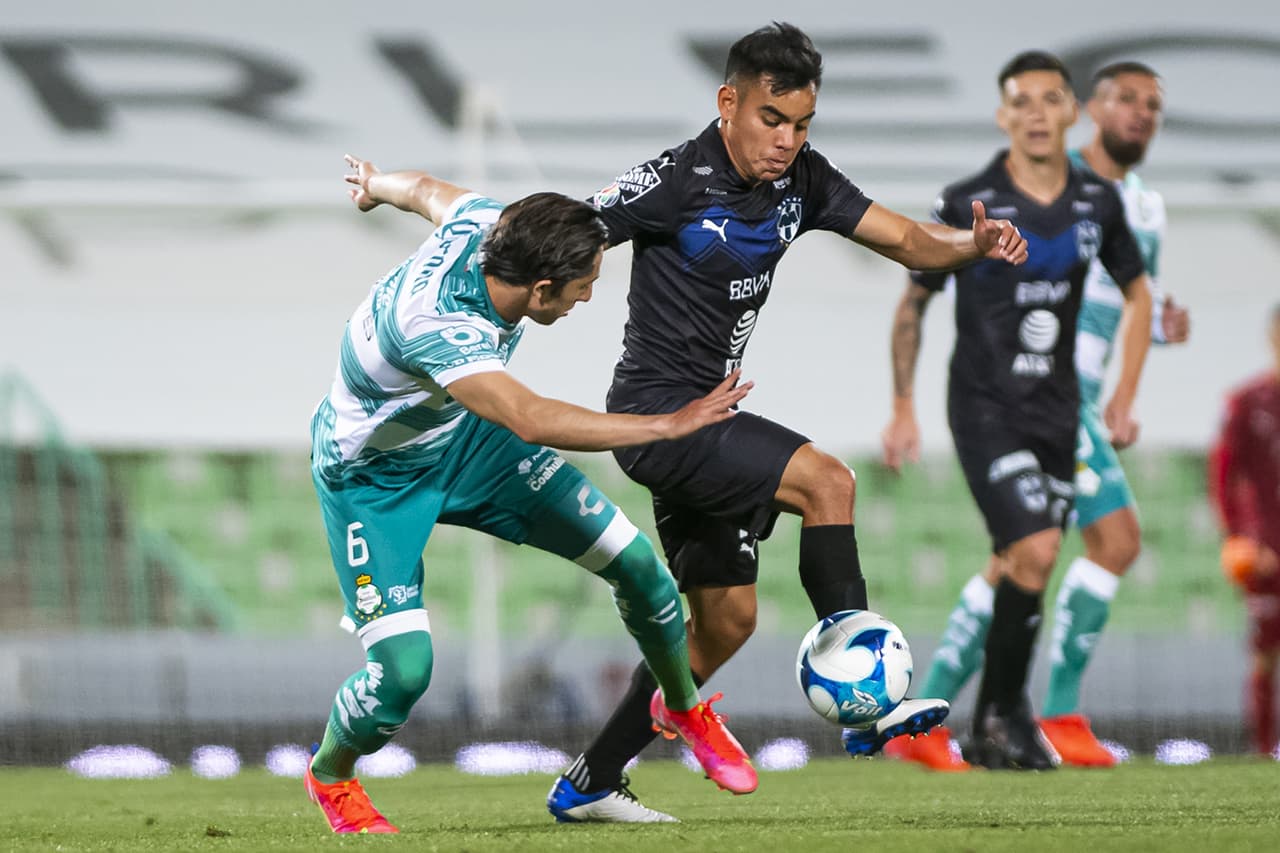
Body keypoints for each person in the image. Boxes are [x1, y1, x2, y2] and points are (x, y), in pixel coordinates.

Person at [541, 22, 1026, 821]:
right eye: (772, 118)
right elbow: (571, 229)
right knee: (828, 481)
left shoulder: (805, 179)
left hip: (710, 416)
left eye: (801, 124)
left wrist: (971, 245)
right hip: (657, 415)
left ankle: (589, 780)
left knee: (726, 623)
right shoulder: (674, 179)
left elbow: (909, 239)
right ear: (728, 102)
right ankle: (868, 699)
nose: (786, 140)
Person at [303, 156, 759, 834]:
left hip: (466, 441)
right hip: (372, 480)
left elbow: (424, 190)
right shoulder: (438, 328)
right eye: (584, 285)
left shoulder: (487, 221)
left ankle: (681, 704)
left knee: (640, 568)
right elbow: (530, 417)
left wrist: (375, 186)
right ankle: (331, 773)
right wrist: (667, 424)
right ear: (542, 289)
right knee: (403, 673)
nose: (588, 297)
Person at [885, 60, 1188, 770]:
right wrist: (902, 406)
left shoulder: (1115, 205)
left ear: (1068, 110)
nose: (1140, 114)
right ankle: (1039, 712)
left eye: (1152, 104)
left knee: (1019, 559)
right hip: (992, 405)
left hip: (1063, 406)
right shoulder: (983, 196)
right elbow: (916, 297)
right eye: (1126, 100)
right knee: (1083, 544)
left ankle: (946, 719)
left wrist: (1137, 368)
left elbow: (1131, 297)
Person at [1208, 304, 1280, 758]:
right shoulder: (1247, 402)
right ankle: (1265, 748)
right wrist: (1240, 535)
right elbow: (1223, 474)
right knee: (1265, 651)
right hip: (1266, 548)